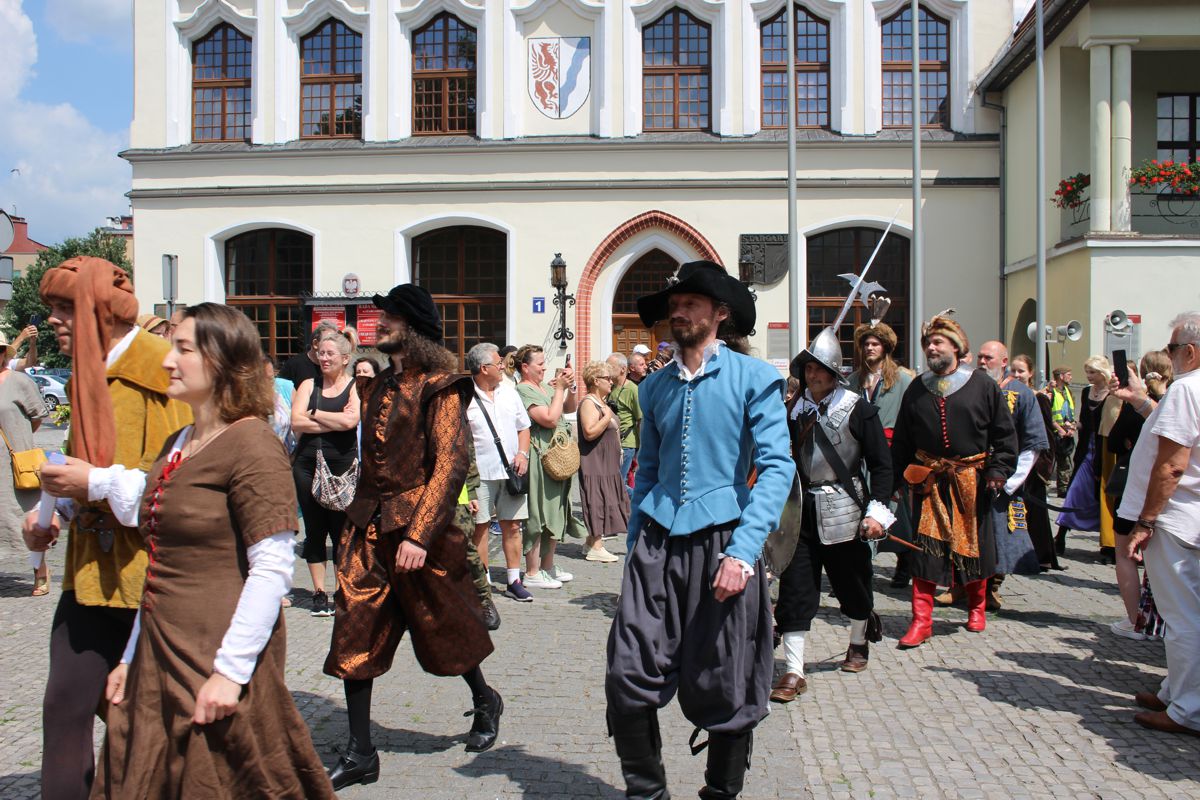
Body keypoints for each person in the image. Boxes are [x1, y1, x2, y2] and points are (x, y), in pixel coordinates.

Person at [92, 303, 336, 798]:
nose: (166, 361)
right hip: (161, 647)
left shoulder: (252, 445)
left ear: (224, 362)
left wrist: (229, 672)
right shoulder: (178, 441)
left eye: (183, 349)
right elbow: (161, 562)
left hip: (216, 651)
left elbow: (270, 568)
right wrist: (130, 656)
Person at [605, 261, 794, 800]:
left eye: (691, 302)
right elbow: (650, 472)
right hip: (658, 544)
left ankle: (719, 795)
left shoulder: (754, 378)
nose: (678, 311)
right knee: (627, 672)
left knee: (727, 677)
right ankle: (648, 794)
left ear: (720, 313)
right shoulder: (654, 389)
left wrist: (742, 552)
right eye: (674, 303)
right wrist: (635, 542)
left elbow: (778, 467)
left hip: (724, 543)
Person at [22, 257, 190, 799]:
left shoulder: (161, 374)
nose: (52, 320)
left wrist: (92, 482)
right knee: (65, 705)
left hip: (150, 579)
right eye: (51, 309)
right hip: (90, 574)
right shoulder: (86, 373)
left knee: (145, 723)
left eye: (64, 307)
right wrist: (52, 514)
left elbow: (180, 491)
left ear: (102, 311)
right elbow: (82, 468)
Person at [323, 284, 500, 791]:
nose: (382, 324)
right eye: (382, 315)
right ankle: (361, 752)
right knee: (354, 626)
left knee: (443, 629)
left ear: (415, 328)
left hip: (420, 532)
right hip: (370, 525)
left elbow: (449, 463)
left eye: (393, 317)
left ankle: (485, 699)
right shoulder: (376, 385)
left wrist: (420, 535)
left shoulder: (442, 385)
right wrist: (354, 521)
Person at [771, 328, 892, 702]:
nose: (813, 375)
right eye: (808, 369)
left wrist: (876, 513)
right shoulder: (794, 409)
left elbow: (882, 466)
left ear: (834, 372)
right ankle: (793, 671)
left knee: (853, 585)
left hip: (845, 508)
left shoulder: (859, 409)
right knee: (795, 591)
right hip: (800, 510)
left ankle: (858, 639)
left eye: (820, 369)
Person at [891, 312, 1017, 647]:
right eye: (928, 343)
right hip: (929, 483)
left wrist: (998, 470)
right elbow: (903, 438)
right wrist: (894, 481)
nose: (931, 348)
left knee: (972, 547)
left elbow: (1004, 435)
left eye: (938, 342)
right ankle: (921, 621)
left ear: (956, 347)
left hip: (971, 480)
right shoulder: (918, 388)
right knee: (925, 550)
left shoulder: (983, 386)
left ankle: (977, 607)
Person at [1117, 312, 1200, 737]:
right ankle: (1177, 691)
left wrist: (1146, 521)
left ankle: (1188, 708)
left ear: (1189, 351)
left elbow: (1172, 465)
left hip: (1178, 518)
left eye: (1171, 349)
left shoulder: (1187, 388)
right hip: (1189, 518)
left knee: (1181, 616)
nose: (1169, 356)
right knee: (1186, 613)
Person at [955, 341, 1048, 610]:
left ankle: (992, 588)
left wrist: (1009, 480)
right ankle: (960, 585)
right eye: (980, 357)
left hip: (1003, 480)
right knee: (963, 533)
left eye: (989, 358)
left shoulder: (1022, 394)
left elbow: (1032, 444)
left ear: (1004, 361)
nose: (983, 362)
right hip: (967, 475)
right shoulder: (967, 387)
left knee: (999, 537)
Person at [291, 330, 359, 616]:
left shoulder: (356, 386)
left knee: (342, 533)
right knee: (315, 531)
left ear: (345, 358)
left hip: (343, 468)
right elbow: (296, 420)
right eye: (321, 353)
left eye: (330, 354)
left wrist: (315, 414)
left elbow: (351, 421)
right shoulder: (309, 384)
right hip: (307, 466)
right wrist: (334, 420)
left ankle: (343, 589)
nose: (324, 358)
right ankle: (319, 592)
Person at [1106, 350, 1173, 640]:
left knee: (1132, 558)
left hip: (1155, 502)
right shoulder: (1175, 393)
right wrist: (1137, 399)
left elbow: (1174, 462)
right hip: (1147, 499)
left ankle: (1140, 622)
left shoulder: (1185, 390)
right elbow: (1160, 420)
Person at [464, 342, 534, 601]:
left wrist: (523, 454)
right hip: (479, 472)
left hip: (511, 470)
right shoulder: (464, 396)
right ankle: (483, 582)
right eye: (499, 363)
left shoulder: (509, 391)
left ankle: (514, 579)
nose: (504, 366)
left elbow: (523, 427)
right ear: (484, 368)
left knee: (513, 525)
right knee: (480, 528)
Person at [846, 320, 914, 587]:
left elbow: (912, 421)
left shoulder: (904, 380)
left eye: (875, 343)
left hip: (891, 455)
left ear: (886, 347)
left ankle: (905, 561)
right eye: (866, 344)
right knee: (860, 510)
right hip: (859, 456)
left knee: (897, 512)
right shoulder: (853, 381)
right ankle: (861, 569)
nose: (870, 348)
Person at [515, 345, 586, 588]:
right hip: (538, 459)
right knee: (538, 515)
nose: (545, 368)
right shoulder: (523, 389)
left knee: (556, 513)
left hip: (556, 458)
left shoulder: (544, 387)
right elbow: (549, 418)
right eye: (540, 364)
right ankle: (532, 572)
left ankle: (547, 566)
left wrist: (571, 387)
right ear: (525, 367)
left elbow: (568, 408)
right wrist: (559, 389)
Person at [1057, 356, 1122, 563]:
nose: (1089, 376)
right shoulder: (1086, 392)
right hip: (1087, 448)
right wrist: (1074, 426)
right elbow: (1085, 420)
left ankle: (1109, 544)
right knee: (1075, 490)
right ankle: (1061, 535)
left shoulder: (1113, 394)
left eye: (1092, 372)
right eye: (1087, 372)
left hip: (1105, 448)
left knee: (1104, 495)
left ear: (1102, 373)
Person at [0, 341, 48, 594]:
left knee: (26, 517)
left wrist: (20, 439)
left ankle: (40, 571)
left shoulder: (19, 381)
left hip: (16, 462)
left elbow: (37, 417)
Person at [1010, 354, 1061, 570]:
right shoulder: (1007, 395)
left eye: (1021, 371)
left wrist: (1043, 468)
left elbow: (1046, 436)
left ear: (1030, 373)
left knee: (1036, 514)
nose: (1017, 375)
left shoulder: (1038, 398)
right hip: (1014, 459)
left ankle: (1041, 556)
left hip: (1034, 464)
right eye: (1013, 370)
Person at [577, 361, 627, 562]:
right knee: (596, 500)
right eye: (607, 378)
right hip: (595, 462)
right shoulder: (589, 402)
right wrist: (606, 418)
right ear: (595, 381)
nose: (611, 381)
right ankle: (597, 547)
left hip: (607, 464)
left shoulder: (602, 402)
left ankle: (590, 542)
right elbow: (589, 432)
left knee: (604, 498)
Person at [607, 353, 642, 495]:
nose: (606, 369)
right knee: (614, 482)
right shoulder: (611, 387)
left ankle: (639, 505)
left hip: (627, 443)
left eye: (610, 367)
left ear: (622, 369)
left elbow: (640, 419)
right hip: (613, 442)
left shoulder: (633, 389)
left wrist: (641, 449)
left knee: (617, 484)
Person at [280, 320, 338, 389]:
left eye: (335, 341)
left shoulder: (336, 365)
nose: (332, 345)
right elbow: (280, 392)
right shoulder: (294, 365)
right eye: (328, 341)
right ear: (315, 344)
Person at [1049, 366, 1077, 496]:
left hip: (1066, 432)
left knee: (1065, 462)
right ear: (1061, 376)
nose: (1071, 377)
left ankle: (1064, 489)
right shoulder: (1052, 392)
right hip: (1054, 432)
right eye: (1069, 374)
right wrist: (1059, 429)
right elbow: (1048, 414)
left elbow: (1071, 412)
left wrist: (1072, 427)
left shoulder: (1068, 392)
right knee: (1051, 462)